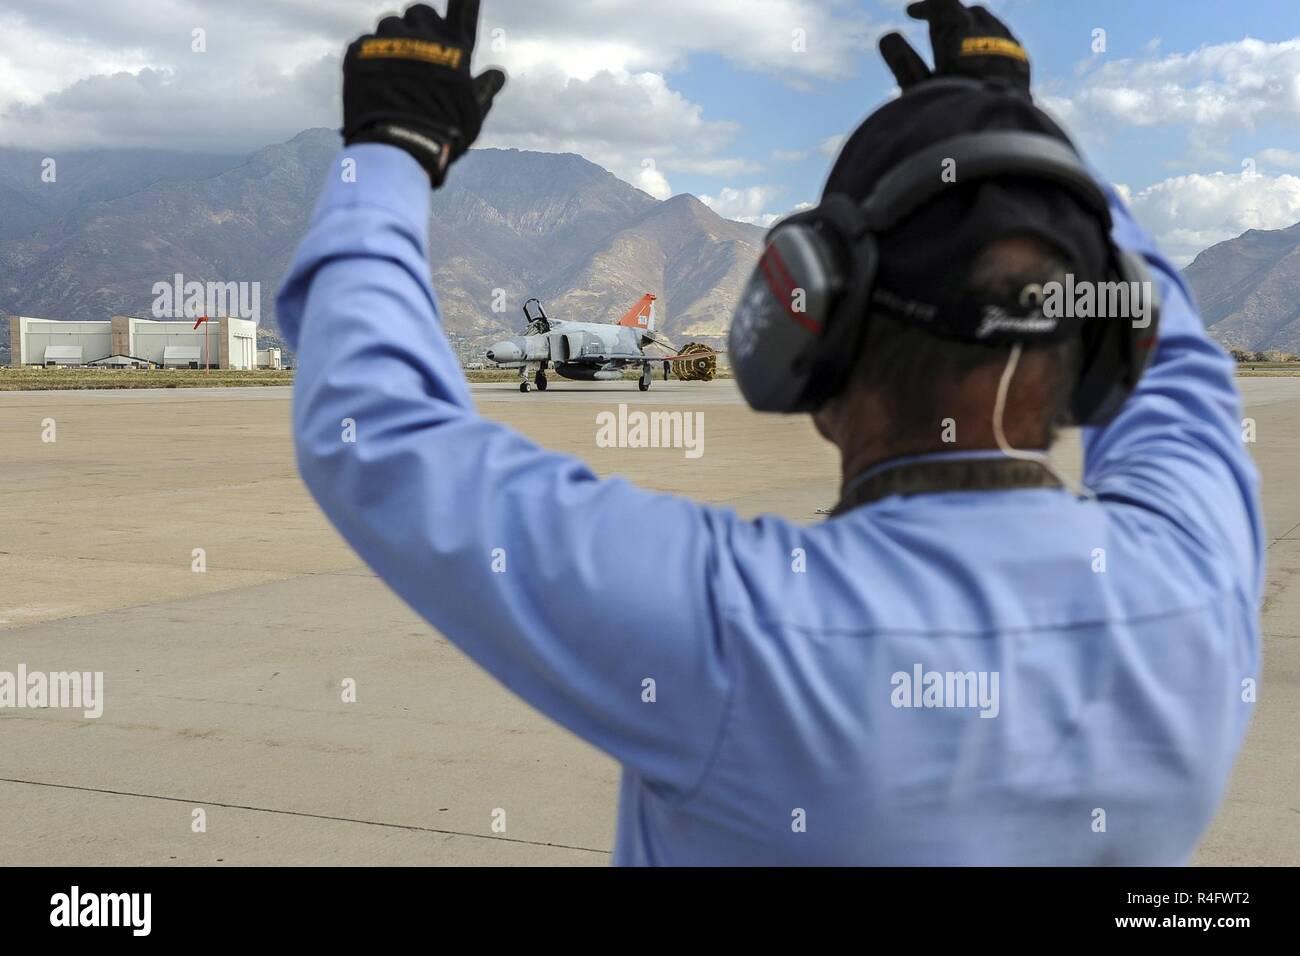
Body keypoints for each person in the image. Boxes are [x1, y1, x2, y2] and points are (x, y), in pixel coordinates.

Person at [277, 0, 1262, 864]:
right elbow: (1176, 361)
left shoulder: (734, 630)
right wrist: (1019, 131)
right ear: (1100, 343)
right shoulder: (1198, 578)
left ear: (813, 336)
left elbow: (380, 432)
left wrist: (392, 145)